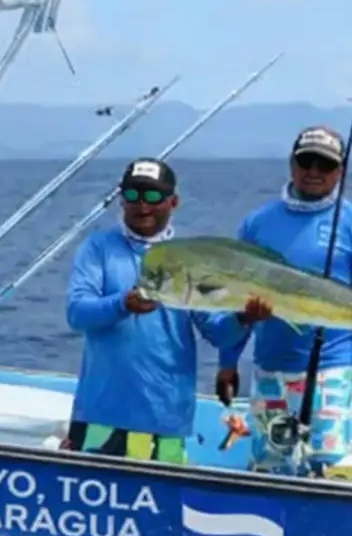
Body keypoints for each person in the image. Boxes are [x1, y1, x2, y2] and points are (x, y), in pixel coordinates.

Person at [62, 158, 231, 464]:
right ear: (121, 199)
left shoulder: (189, 258)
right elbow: (77, 313)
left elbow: (218, 332)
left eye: (153, 196)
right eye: (133, 195)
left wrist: (247, 317)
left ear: (173, 201)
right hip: (101, 417)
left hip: (165, 420)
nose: (143, 206)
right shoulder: (97, 247)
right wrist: (122, 304)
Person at [209, 125, 352, 478]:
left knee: (331, 473)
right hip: (270, 370)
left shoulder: (348, 221)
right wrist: (228, 364)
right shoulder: (257, 223)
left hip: (333, 371)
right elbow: (235, 297)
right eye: (307, 161)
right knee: (270, 471)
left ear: (340, 171)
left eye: (325, 164)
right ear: (292, 163)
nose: (314, 171)